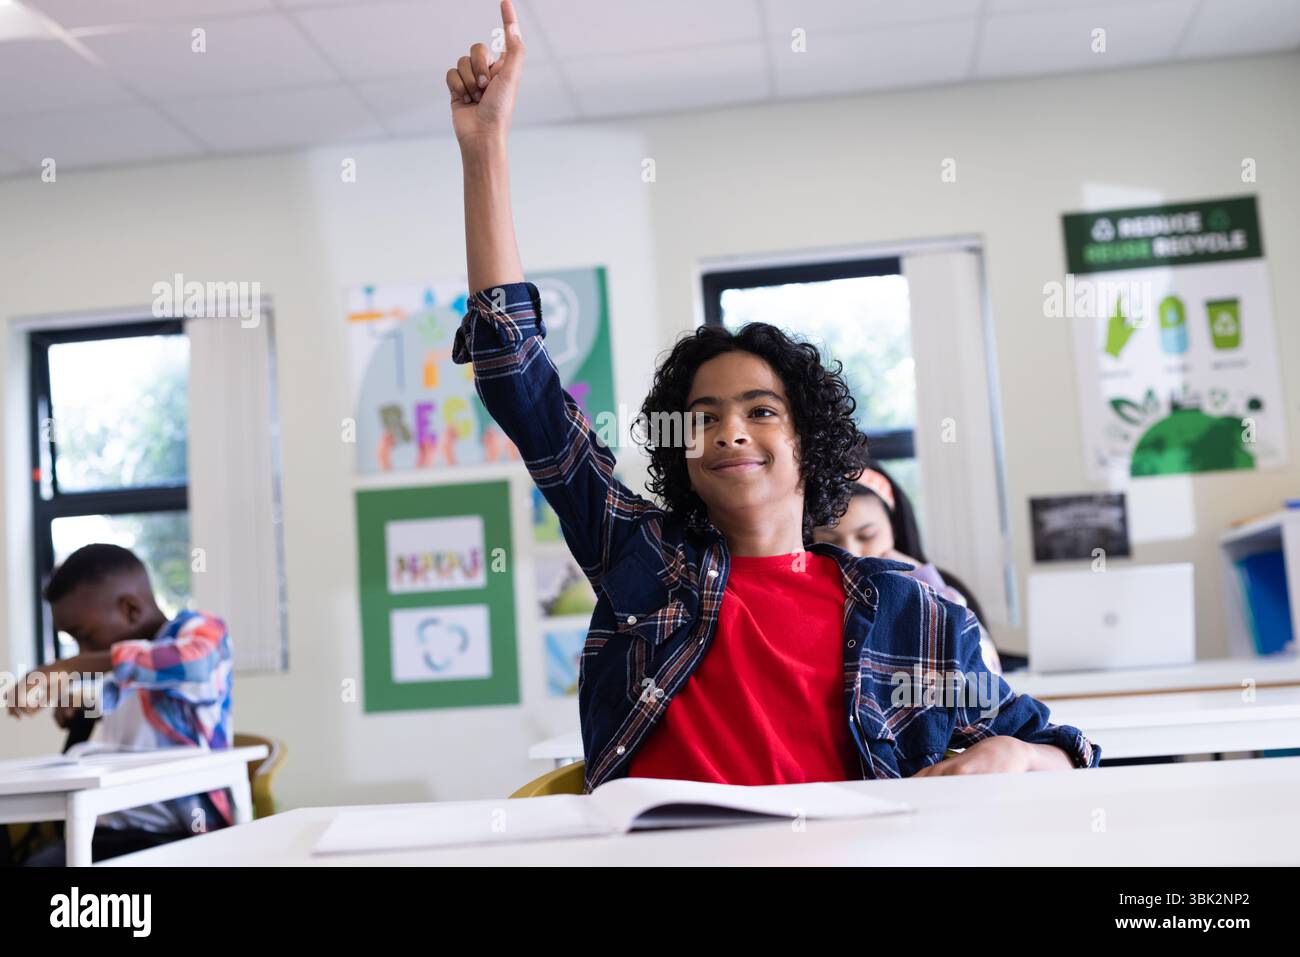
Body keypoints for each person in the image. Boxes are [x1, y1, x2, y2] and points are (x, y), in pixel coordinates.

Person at [445, 1, 1098, 790]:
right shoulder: (645, 563)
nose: (729, 430)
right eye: (706, 416)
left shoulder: (906, 610)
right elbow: (518, 376)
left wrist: (1012, 752)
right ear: (683, 453)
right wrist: (486, 151)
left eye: (760, 410)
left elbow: (1066, 746)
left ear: (808, 444)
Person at [7, 544, 234, 865]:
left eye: (84, 635)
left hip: (179, 834)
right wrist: (77, 708)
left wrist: (71, 665)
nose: (83, 649)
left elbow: (193, 663)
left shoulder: (200, 631)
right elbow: (117, 696)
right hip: (109, 828)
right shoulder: (119, 671)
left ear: (130, 609)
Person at [813, 462, 1021, 674]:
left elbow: (987, 676)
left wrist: (929, 583)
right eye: (831, 541)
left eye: (867, 536)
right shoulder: (811, 600)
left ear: (894, 529)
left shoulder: (940, 587)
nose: (851, 553)